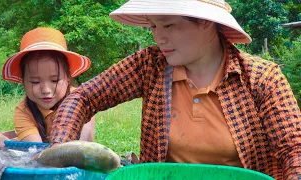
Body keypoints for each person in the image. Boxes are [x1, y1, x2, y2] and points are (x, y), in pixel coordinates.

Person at [49, 1, 301, 179]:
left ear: (205, 22)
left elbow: (294, 148)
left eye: (168, 26)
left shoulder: (261, 78)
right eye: (153, 27)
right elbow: (83, 96)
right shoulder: (150, 65)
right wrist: (60, 149)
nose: (159, 38)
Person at [2, 27, 95, 143]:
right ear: (23, 81)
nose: (46, 90)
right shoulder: (24, 112)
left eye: (55, 80)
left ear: (68, 78)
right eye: (35, 82)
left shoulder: (81, 100)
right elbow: (35, 150)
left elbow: (83, 146)